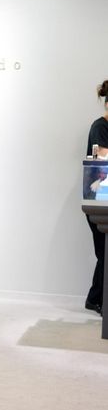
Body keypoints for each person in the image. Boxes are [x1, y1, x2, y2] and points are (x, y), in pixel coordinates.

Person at [84, 80, 108, 317]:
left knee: (105, 253)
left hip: (104, 198)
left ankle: (94, 298)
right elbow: (102, 155)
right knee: (105, 253)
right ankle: (99, 301)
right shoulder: (99, 127)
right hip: (98, 201)